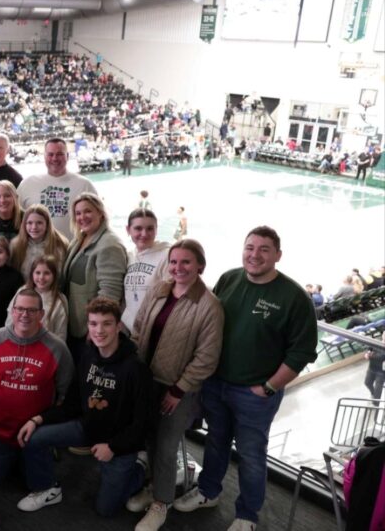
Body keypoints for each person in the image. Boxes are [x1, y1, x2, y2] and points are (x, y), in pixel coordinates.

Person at [174, 226, 318, 531]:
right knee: (215, 442)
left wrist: (269, 387)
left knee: (251, 455)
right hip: (216, 384)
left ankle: (247, 515)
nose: (255, 255)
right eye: (250, 247)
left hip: (255, 394)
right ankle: (208, 491)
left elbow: (302, 351)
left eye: (264, 249)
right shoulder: (229, 279)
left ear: (278, 255)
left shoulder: (293, 297)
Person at [2, 297, 149, 515]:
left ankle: (141, 469)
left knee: (106, 510)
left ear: (119, 326)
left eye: (107, 324)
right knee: (35, 437)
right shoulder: (87, 355)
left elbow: (143, 423)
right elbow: (71, 404)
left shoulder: (135, 368)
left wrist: (113, 447)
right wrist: (37, 419)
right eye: (93, 324)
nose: (99, 330)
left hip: (118, 442)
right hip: (87, 428)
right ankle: (47, 488)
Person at [128, 240, 224, 530]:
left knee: (166, 447)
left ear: (200, 266)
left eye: (185, 262)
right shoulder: (160, 289)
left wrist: (178, 390)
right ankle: (156, 487)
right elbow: (139, 328)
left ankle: (162, 504)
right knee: (149, 438)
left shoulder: (209, 306)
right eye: (173, 261)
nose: (178, 268)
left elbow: (206, 358)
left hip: (177, 390)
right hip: (148, 382)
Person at [0, 288, 74, 508]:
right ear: (12, 311)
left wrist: (47, 430)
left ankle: (37, 455)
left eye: (31, 310)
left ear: (41, 314)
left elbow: (65, 396)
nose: (24, 315)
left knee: (33, 484)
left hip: (35, 434)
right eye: (19, 309)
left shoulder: (57, 348)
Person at [61, 193, 127, 358]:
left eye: (88, 211)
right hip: (75, 325)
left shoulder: (109, 244)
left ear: (100, 213)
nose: (82, 217)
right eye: (78, 213)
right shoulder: (79, 239)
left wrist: (96, 328)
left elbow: (110, 293)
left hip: (91, 332)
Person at [17, 138, 99, 240]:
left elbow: (98, 220)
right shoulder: (27, 184)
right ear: (44, 157)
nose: (55, 158)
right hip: (36, 248)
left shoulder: (85, 185)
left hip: (73, 247)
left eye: (59, 154)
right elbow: (16, 218)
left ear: (67, 156)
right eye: (50, 154)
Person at [122, 209, 170, 331]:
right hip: (128, 328)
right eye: (138, 228)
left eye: (150, 229)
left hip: (153, 329)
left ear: (156, 230)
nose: (144, 234)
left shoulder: (167, 256)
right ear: (128, 230)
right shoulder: (128, 256)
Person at [6, 255, 68, 342]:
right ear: (32, 274)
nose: (41, 277)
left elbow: (60, 332)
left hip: (45, 345)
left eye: (47, 273)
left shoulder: (59, 300)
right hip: (19, 342)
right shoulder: (22, 291)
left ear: (54, 275)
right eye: (38, 273)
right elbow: (10, 318)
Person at [11, 204, 69, 280]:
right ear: (24, 224)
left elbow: (63, 277)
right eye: (30, 223)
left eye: (39, 223)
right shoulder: (15, 245)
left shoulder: (60, 244)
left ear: (47, 224)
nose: (34, 227)